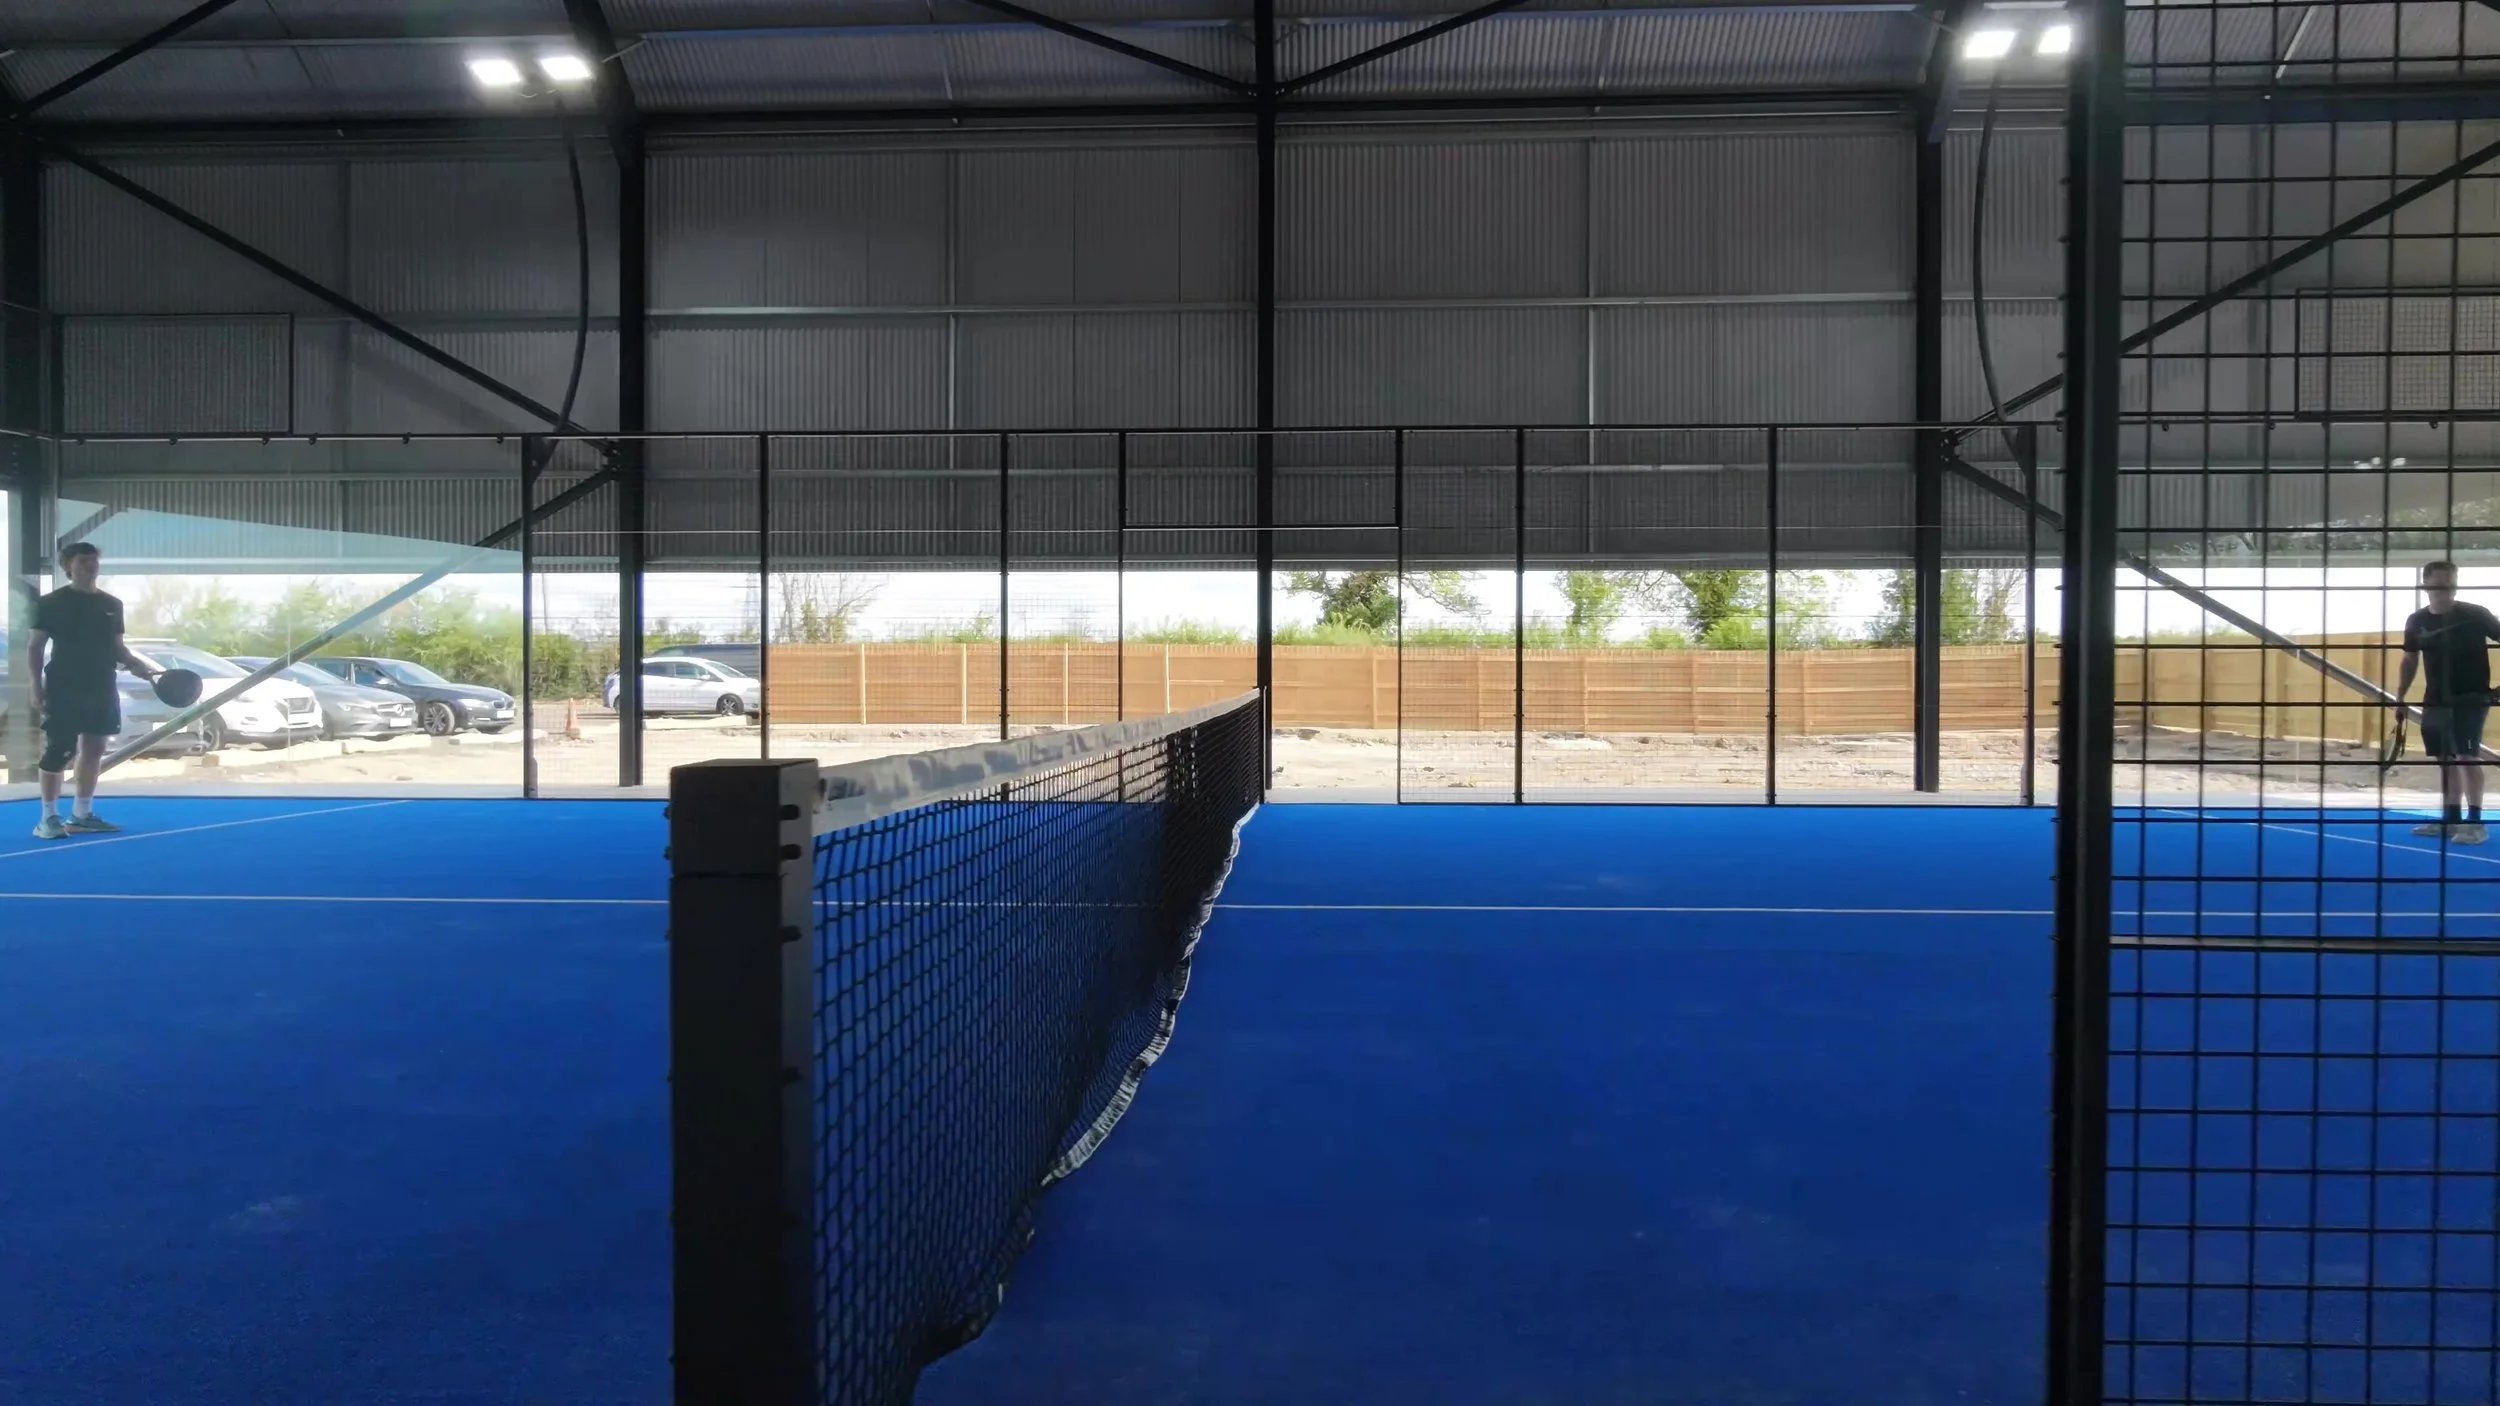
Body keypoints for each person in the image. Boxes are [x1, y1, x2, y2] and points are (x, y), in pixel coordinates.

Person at [24, 542, 164, 840]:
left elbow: (117, 648)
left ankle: (82, 814)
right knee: (60, 750)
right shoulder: (51, 603)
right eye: (84, 561)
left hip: (101, 685)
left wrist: (135, 665)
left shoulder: (112, 605)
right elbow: (35, 647)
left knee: (95, 749)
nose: (91, 565)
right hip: (63, 685)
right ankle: (48, 819)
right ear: (68, 565)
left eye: (94, 560)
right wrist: (36, 686)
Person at [2397, 559, 2500, 844]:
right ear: (2426, 584)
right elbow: (2409, 659)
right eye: (2439, 582)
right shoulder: (2416, 621)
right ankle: (2451, 818)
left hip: (2472, 696)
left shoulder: (2476, 615)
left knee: (2467, 757)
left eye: (2450, 583)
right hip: (2436, 698)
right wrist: (2400, 698)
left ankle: (2476, 823)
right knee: (2445, 759)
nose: (2445, 588)